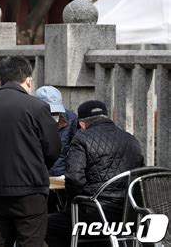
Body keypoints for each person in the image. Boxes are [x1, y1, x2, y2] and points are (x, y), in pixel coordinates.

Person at [0, 56, 61, 247]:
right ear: (28, 79)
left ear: (0, 80)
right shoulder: (37, 107)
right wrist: (36, 166)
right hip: (30, 189)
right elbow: (53, 148)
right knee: (30, 241)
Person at [46, 100, 144, 247]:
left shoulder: (81, 139)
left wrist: (75, 201)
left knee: (45, 225)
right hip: (129, 214)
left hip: (94, 213)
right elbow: (140, 176)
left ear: (82, 124)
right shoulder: (131, 139)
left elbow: (74, 179)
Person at [35, 86, 78, 176]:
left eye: (56, 111)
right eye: (51, 111)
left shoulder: (71, 119)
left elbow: (75, 149)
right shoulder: (30, 119)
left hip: (60, 173)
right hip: (37, 174)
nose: (54, 114)